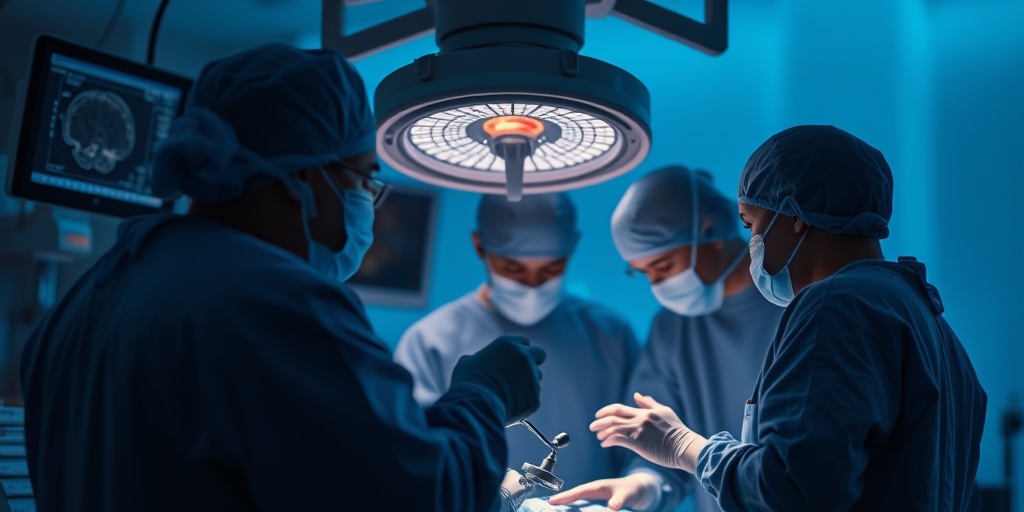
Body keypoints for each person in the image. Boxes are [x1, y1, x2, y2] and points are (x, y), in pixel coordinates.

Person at [19, 43, 547, 511]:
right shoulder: (271, 302)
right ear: (301, 178)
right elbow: (426, 497)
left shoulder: (91, 295)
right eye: (363, 179)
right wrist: (485, 393)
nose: (367, 201)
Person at [563, 125, 987, 511]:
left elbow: (789, 491)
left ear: (795, 216)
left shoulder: (836, 305)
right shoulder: (925, 317)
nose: (753, 240)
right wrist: (650, 483)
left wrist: (685, 446)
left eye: (751, 224)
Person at [548, 166, 783, 512]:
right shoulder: (671, 330)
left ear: (712, 228)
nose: (657, 285)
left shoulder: (797, 306)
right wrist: (642, 485)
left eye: (663, 266)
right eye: (644, 274)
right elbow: (663, 453)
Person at [394, 193, 640, 490]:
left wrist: (644, 483)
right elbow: (412, 462)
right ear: (479, 246)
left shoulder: (610, 335)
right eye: (513, 268)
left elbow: (641, 444)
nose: (532, 286)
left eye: (551, 268)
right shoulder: (429, 341)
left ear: (572, 247)